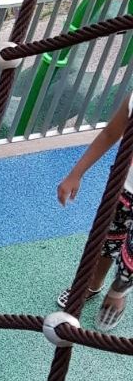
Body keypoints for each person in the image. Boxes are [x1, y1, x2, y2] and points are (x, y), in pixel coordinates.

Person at [56, 94, 133, 329]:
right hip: (124, 186)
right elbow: (111, 132)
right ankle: (93, 284)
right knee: (106, 240)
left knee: (130, 259)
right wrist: (76, 173)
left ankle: (117, 292)